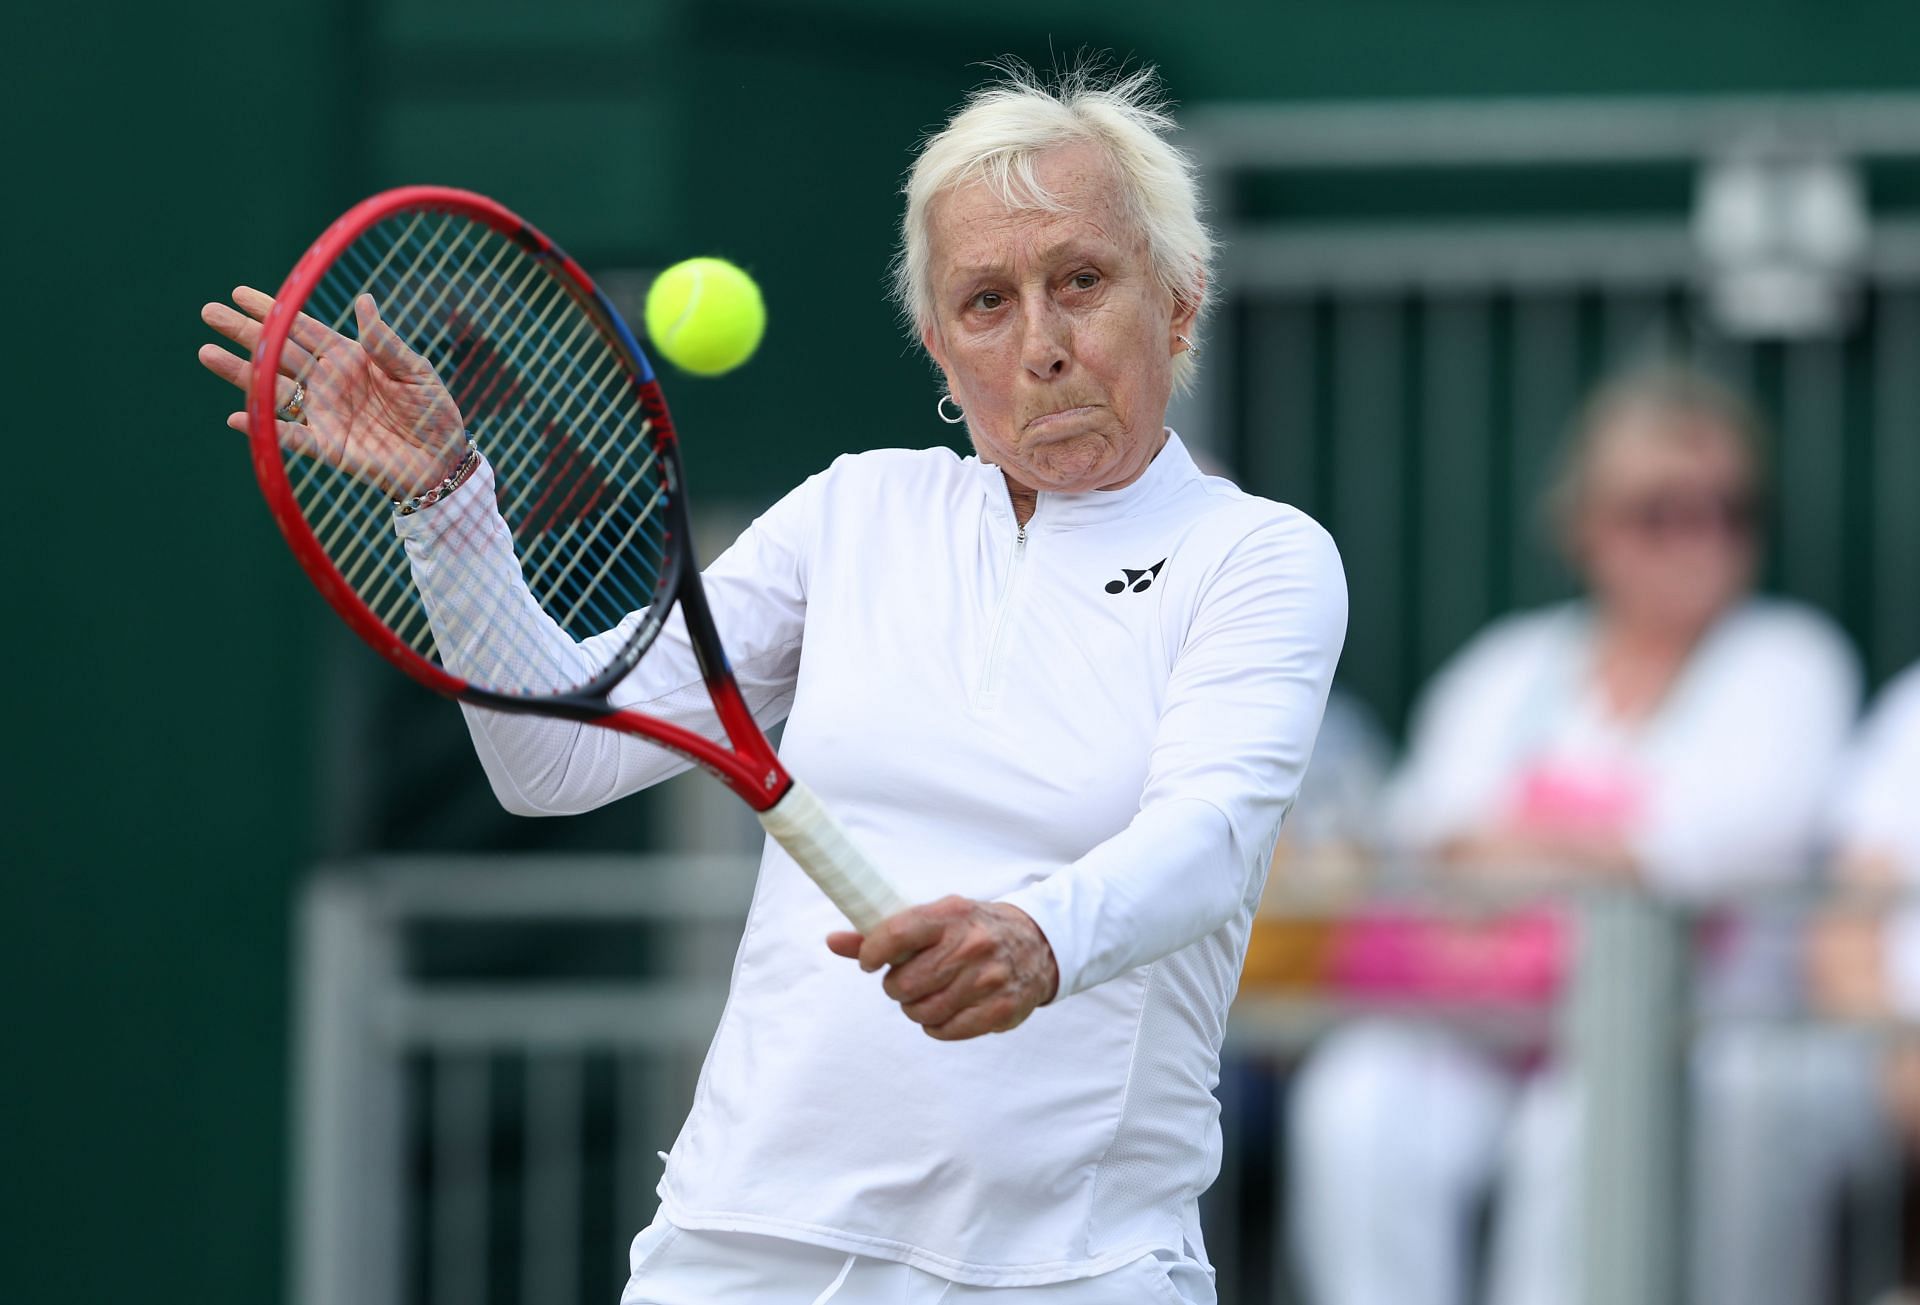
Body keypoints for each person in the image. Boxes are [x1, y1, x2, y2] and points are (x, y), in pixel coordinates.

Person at [199, 62, 1347, 1303]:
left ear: (1179, 305)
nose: (1044, 346)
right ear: (941, 355)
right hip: (741, 1250)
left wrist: (1037, 940)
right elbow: (556, 758)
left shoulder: (1260, 557)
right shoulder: (854, 512)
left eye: (1082, 281)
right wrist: (448, 506)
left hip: (1074, 1267)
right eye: (985, 302)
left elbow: (1214, 836)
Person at [1287, 364, 1858, 1305]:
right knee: (1360, 1097)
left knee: (1587, 1125)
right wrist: (1586, 848)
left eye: (1730, 509)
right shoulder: (1510, 662)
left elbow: (1720, 844)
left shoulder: (1788, 659)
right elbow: (1426, 839)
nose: (1700, 538)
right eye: (1660, 511)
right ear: (1586, 523)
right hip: (1490, 1010)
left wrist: (1517, 845)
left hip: (1699, 1024)